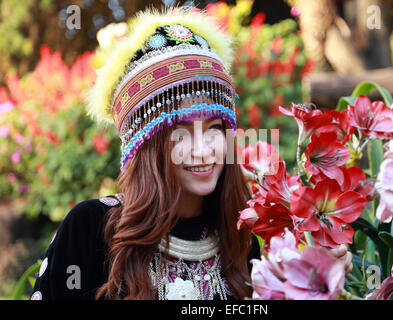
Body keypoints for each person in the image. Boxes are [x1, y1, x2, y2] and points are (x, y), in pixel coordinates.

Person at [30, 7, 352, 300]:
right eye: (180, 132)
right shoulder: (90, 229)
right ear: (146, 142)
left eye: (214, 128)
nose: (203, 150)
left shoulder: (240, 240)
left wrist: (312, 276)